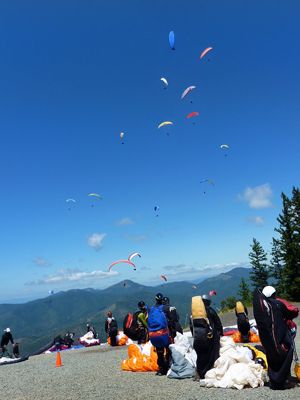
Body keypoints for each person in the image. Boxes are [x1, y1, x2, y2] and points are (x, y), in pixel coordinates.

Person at [254, 286, 296, 390]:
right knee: (285, 355)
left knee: (272, 357)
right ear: (274, 294)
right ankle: (283, 381)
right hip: (279, 335)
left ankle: (274, 381)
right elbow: (290, 313)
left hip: (268, 339)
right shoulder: (277, 304)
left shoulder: (264, 306)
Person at [191, 295, 223, 381]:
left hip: (197, 338)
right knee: (211, 354)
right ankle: (208, 373)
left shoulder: (195, 314)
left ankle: (198, 373)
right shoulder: (210, 310)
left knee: (200, 356)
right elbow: (218, 323)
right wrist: (221, 333)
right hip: (209, 337)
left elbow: (192, 327)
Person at [148, 293, 170, 376]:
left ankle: (161, 369)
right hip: (163, 333)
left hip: (153, 335)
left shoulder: (151, 309)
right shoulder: (164, 308)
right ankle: (168, 367)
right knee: (168, 350)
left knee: (159, 352)